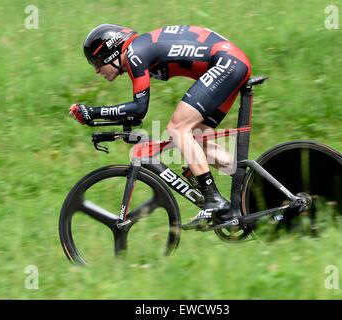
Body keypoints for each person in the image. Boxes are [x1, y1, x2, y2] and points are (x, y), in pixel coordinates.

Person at [69, 24, 251, 229]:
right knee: (197, 142)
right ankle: (255, 188)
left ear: (111, 52)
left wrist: (94, 112)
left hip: (226, 64)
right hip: (230, 63)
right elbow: (135, 114)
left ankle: (213, 199)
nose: (96, 70)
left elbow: (139, 108)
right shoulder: (139, 49)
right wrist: (100, 120)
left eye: (96, 62)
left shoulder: (135, 53)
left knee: (177, 129)